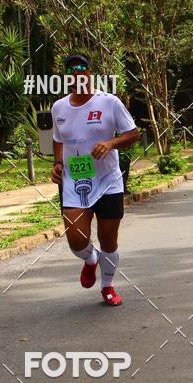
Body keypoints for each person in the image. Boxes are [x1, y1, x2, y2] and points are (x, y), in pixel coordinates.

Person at [51, 52, 140, 306]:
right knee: (76, 239)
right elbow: (59, 139)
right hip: (76, 179)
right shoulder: (59, 107)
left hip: (108, 179)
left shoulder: (109, 102)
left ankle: (108, 286)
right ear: (67, 77)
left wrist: (111, 142)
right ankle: (91, 260)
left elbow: (133, 134)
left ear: (90, 73)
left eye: (81, 69)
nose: (77, 74)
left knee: (108, 237)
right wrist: (58, 163)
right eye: (71, 71)